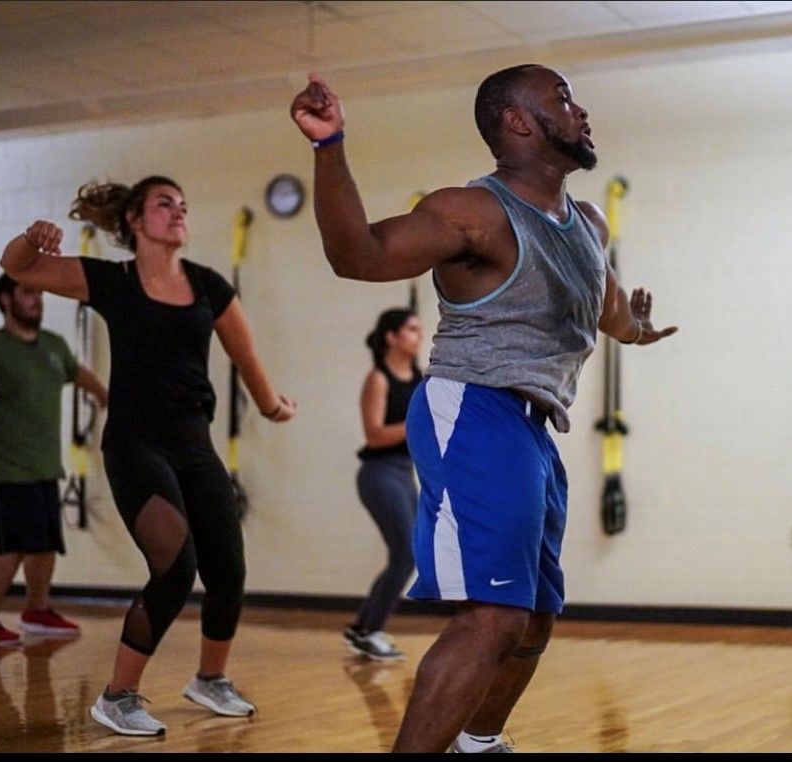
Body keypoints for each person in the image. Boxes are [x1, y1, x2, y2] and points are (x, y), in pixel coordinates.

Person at [290, 64, 677, 753]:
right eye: (562, 97)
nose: (580, 109)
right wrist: (329, 148)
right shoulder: (472, 212)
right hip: (474, 408)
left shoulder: (585, 223)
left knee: (532, 620)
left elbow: (610, 313)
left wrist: (639, 327)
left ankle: (478, 744)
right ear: (518, 121)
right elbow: (358, 255)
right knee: (492, 617)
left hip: (535, 430)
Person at [0, 176, 297, 737]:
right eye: (165, 204)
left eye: (184, 205)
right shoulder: (111, 280)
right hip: (136, 443)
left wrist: (272, 407)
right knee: (175, 568)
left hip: (194, 441)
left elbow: (245, 354)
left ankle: (211, 679)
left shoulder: (208, 286)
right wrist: (29, 238)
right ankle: (117, 697)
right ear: (135, 220)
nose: (178, 212)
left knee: (229, 570)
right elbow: (19, 268)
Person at [0, 274, 108, 647]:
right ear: (5, 299)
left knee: (45, 543)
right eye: (28, 293)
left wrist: (102, 394)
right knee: (10, 545)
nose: (37, 300)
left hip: (43, 467)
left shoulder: (53, 345)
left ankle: (37, 609)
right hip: (2, 471)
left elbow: (74, 371)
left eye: (39, 293)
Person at [345, 308, 424, 662]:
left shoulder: (421, 378)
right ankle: (370, 631)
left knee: (406, 554)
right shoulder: (378, 379)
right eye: (410, 329)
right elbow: (374, 435)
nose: (418, 336)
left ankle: (363, 627)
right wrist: (419, 423)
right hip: (379, 475)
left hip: (405, 473)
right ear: (391, 337)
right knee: (407, 553)